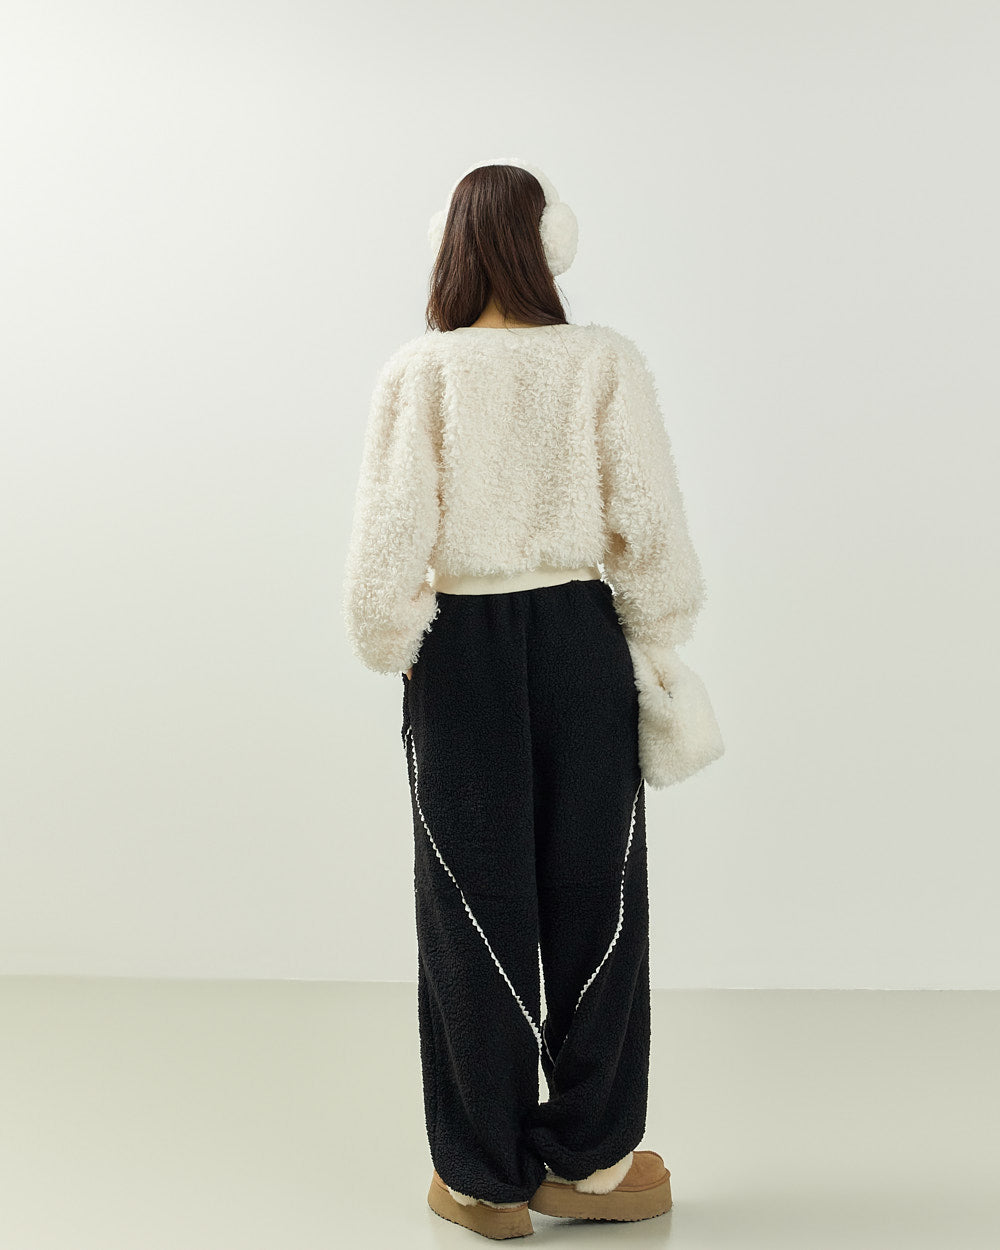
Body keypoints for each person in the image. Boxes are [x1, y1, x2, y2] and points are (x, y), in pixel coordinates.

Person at [342, 158, 724, 1240]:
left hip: (459, 644)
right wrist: (653, 635)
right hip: (579, 639)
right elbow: (648, 519)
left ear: (447, 245)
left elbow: (389, 536)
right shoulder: (603, 360)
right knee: (596, 896)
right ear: (552, 242)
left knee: (472, 903)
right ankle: (595, 1162)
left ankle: (484, 1176)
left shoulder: (420, 370)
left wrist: (394, 641)